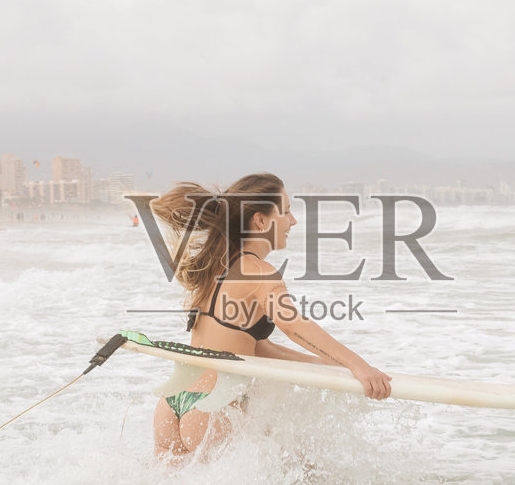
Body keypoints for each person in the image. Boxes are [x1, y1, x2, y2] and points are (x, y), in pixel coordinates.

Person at [149, 174, 390, 459]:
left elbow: (250, 347)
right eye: (285, 211)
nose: (293, 221)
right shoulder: (258, 272)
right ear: (261, 221)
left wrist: (326, 364)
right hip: (217, 406)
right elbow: (293, 324)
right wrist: (359, 366)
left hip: (175, 401)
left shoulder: (215, 267)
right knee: (300, 466)